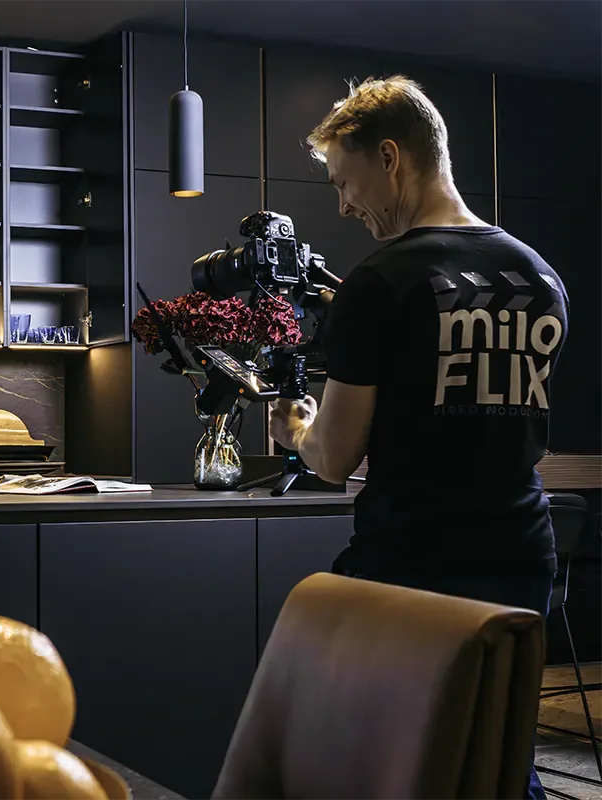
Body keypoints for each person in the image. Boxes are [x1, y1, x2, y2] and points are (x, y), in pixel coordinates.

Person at [268, 76, 568, 800]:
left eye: (346, 181)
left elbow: (335, 459)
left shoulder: (380, 283)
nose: (344, 204)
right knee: (494, 753)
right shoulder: (540, 276)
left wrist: (295, 429)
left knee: (374, 756)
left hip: (413, 565)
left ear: (392, 157)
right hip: (521, 557)